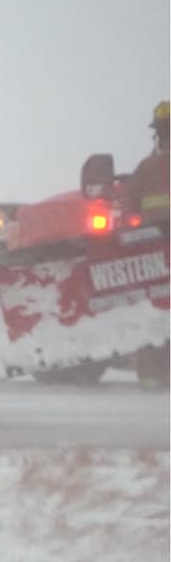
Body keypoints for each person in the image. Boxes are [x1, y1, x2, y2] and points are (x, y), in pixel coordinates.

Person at [127, 100, 170, 390]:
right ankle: (154, 379)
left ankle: (153, 379)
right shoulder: (147, 168)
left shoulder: (147, 168)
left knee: (152, 316)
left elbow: (129, 207)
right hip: (152, 258)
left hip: (152, 258)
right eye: (163, 133)